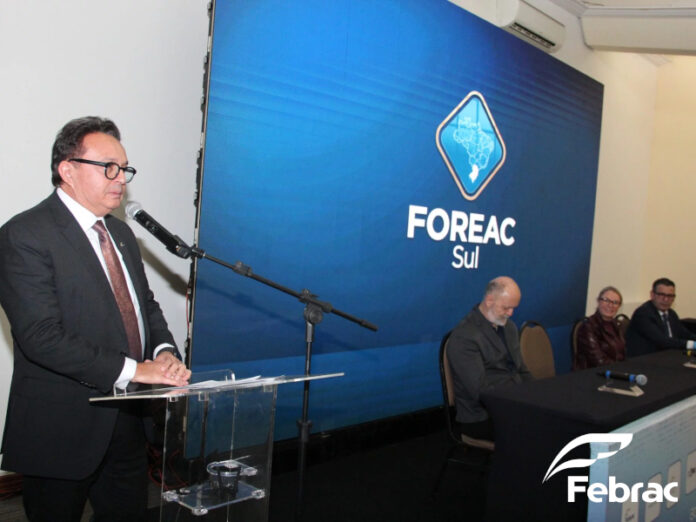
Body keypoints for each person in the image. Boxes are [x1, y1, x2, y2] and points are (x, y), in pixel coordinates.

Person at [0, 116, 192, 522]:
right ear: (67, 170)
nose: (120, 178)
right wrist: (136, 370)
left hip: (127, 421)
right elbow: (41, 336)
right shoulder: (25, 235)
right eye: (109, 167)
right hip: (61, 425)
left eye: (124, 169)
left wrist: (163, 352)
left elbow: (145, 306)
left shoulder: (121, 234)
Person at [447, 276, 532, 441]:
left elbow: (521, 369)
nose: (511, 313)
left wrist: (538, 395)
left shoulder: (509, 327)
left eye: (513, 308)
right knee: (539, 431)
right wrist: (520, 402)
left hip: (512, 402)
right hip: (481, 416)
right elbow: (480, 392)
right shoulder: (464, 336)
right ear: (489, 300)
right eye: (506, 308)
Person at [625, 277, 696, 357]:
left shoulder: (671, 314)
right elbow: (662, 341)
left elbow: (684, 334)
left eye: (670, 296)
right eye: (661, 295)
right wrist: (693, 345)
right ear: (652, 295)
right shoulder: (643, 313)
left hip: (667, 356)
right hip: (645, 359)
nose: (666, 299)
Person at [574, 286, 626, 369]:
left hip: (615, 369)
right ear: (598, 301)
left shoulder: (617, 325)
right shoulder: (588, 327)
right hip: (594, 372)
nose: (610, 305)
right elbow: (598, 361)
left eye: (615, 302)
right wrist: (621, 368)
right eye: (606, 300)